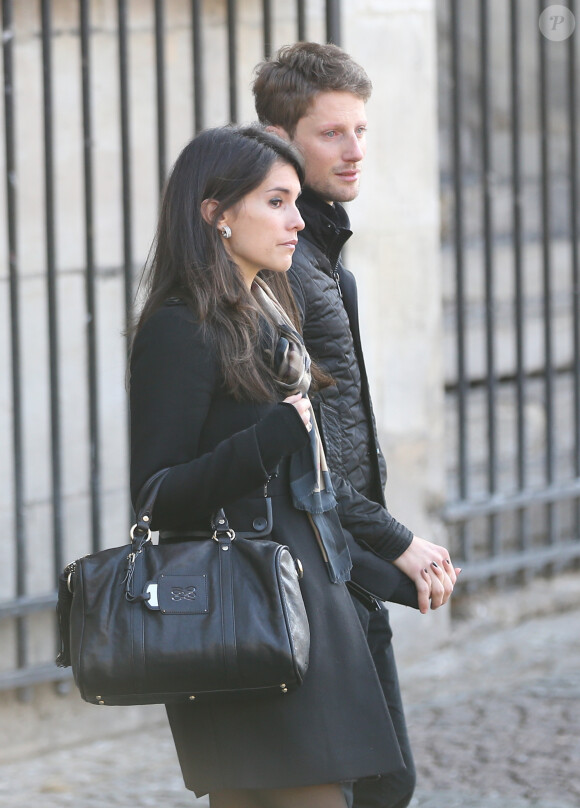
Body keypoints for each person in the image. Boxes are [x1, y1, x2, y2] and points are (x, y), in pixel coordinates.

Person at [129, 125, 409, 808]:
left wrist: (394, 561)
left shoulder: (266, 316)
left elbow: (304, 497)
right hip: (245, 621)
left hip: (308, 617)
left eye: (295, 202)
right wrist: (275, 434)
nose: (296, 221)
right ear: (216, 213)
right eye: (277, 202)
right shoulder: (179, 326)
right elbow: (157, 498)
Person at [253, 42, 460, 808]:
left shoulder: (322, 252)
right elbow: (310, 450)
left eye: (362, 131)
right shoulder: (285, 263)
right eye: (331, 133)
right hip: (312, 565)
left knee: (378, 784)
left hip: (343, 555)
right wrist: (395, 539)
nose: (354, 151)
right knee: (372, 786)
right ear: (280, 138)